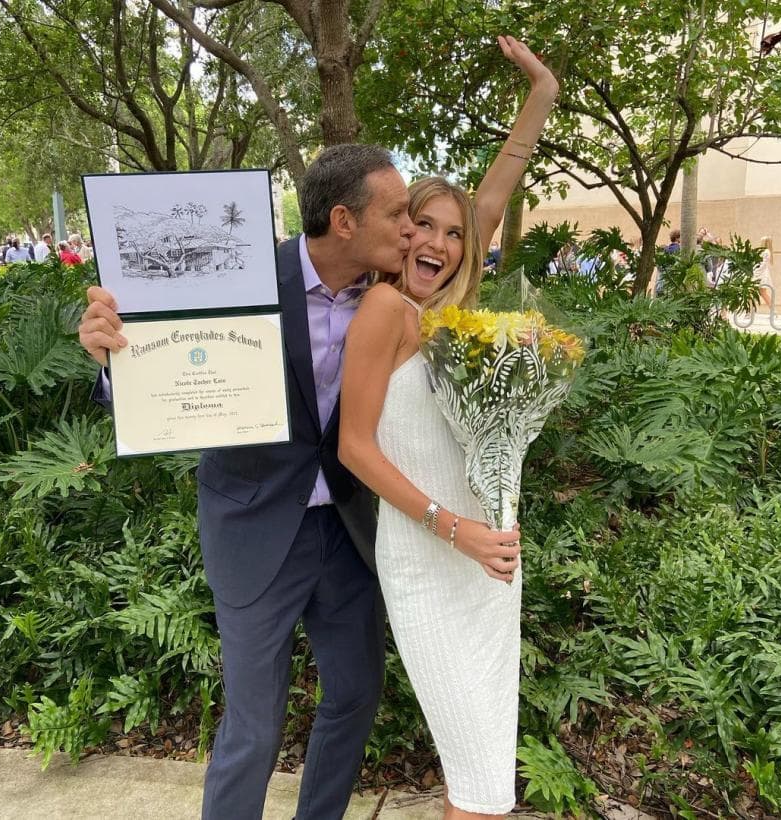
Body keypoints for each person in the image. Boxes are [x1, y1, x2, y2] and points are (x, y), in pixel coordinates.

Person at [78, 144, 414, 819]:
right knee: (254, 724)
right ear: (344, 221)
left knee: (354, 696)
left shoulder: (396, 294)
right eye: (399, 214)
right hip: (255, 527)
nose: (411, 229)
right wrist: (116, 357)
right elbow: (166, 370)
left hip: (346, 530)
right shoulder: (235, 273)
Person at [339, 36, 557, 819]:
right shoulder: (384, 311)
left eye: (453, 232)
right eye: (421, 226)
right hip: (432, 561)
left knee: (485, 772)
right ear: (399, 236)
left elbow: (500, 182)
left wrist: (542, 88)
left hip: (489, 566)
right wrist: (452, 527)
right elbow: (354, 446)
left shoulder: (453, 319)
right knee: (477, 779)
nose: (437, 241)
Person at [753, 236, 774, 309]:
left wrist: (755, 272)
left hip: (760, 275)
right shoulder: (767, 252)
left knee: (760, 293)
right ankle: (773, 311)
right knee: (762, 293)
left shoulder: (766, 252)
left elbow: (762, 264)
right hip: (761, 274)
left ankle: (749, 312)